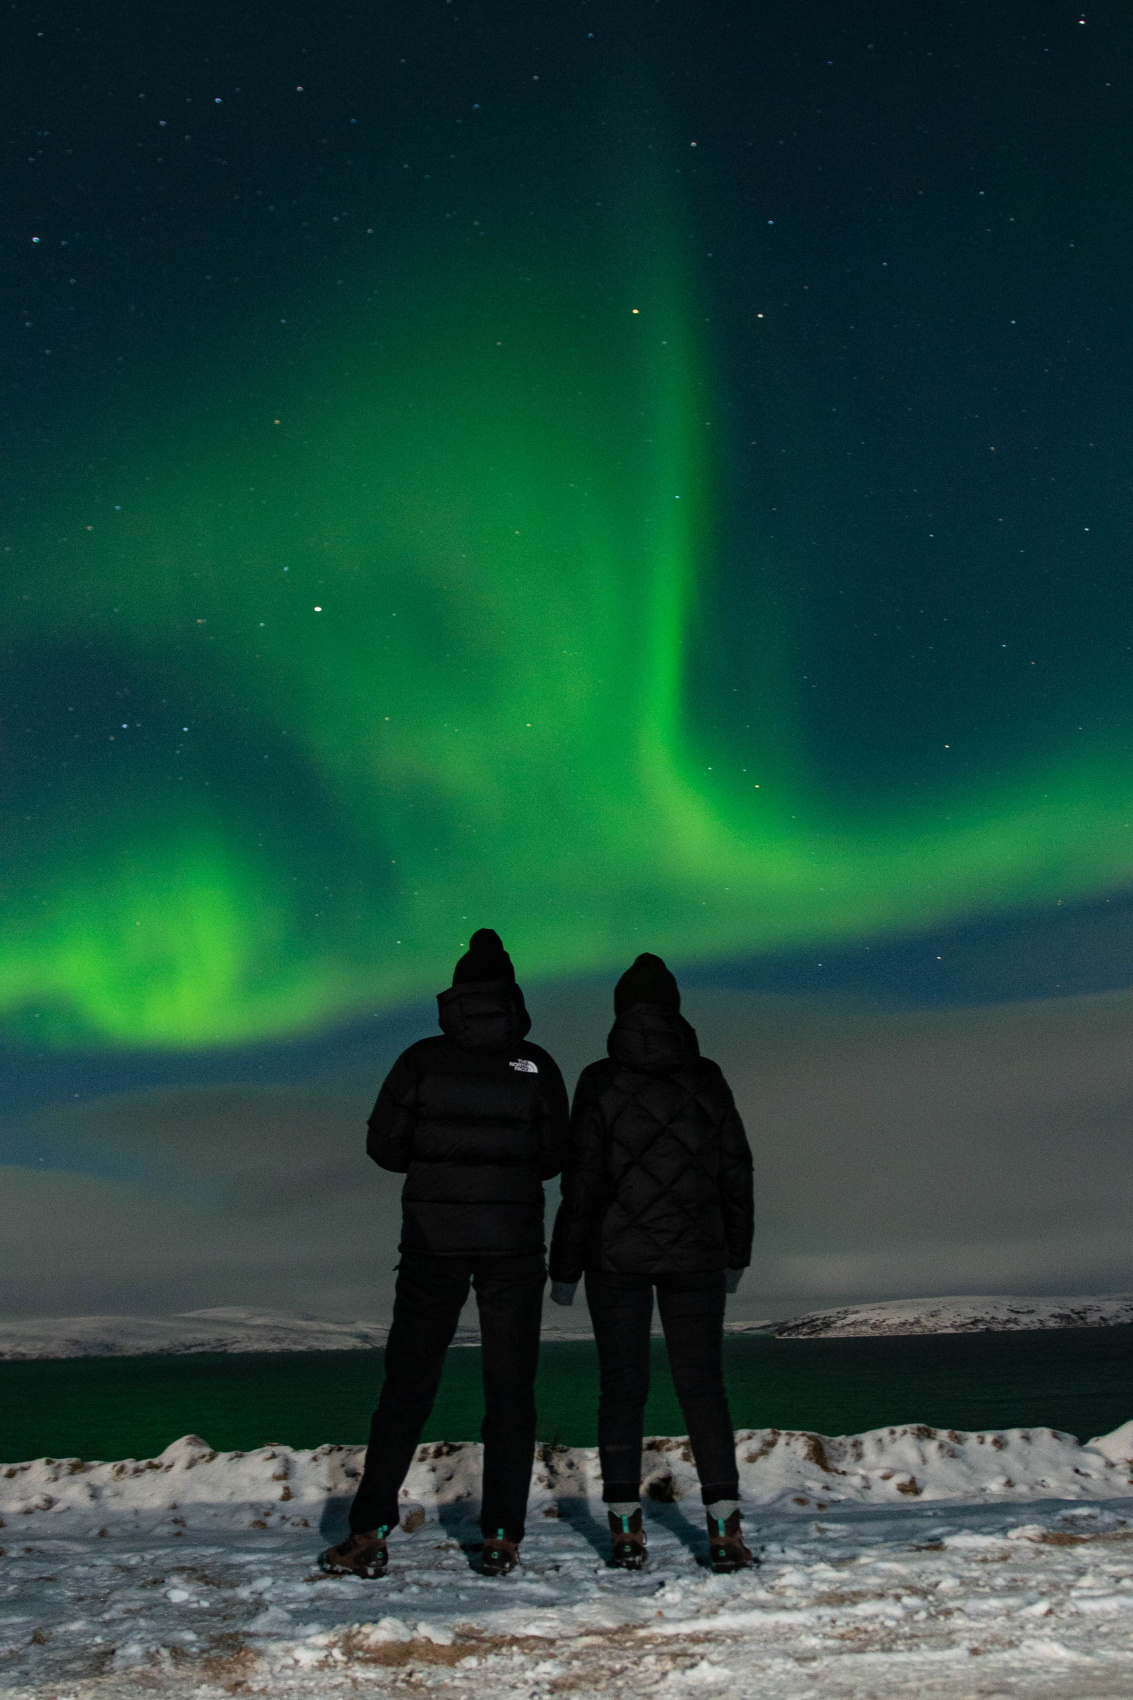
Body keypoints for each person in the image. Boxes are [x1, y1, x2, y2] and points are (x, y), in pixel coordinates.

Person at [320, 928, 569, 1580]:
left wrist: (439, 1162)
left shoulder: (420, 1060)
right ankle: (501, 1538)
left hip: (432, 1242)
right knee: (509, 1391)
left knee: (406, 1388)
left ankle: (370, 1531)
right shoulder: (536, 1064)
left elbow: (383, 1148)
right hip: (513, 1244)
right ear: (511, 996)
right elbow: (553, 1157)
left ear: (454, 996)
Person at [548, 952, 755, 1573]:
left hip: (616, 1259)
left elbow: (581, 1180)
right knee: (704, 1387)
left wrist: (565, 1265)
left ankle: (625, 1532)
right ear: (676, 1010)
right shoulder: (707, 1076)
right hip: (698, 1254)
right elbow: (736, 1169)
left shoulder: (599, 1079)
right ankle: (724, 1529)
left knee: (622, 1388)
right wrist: (736, 1253)